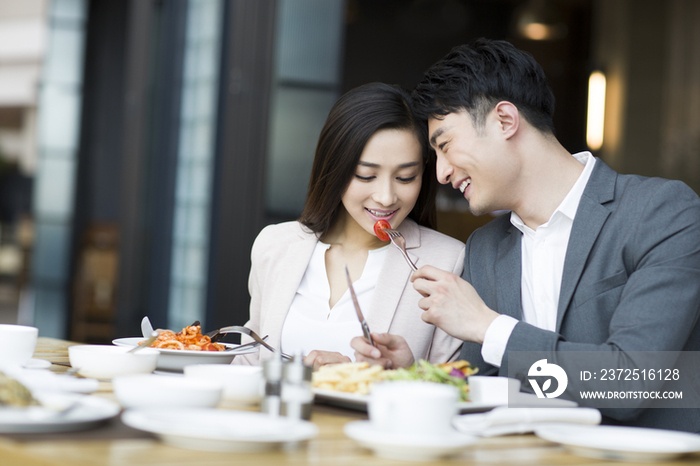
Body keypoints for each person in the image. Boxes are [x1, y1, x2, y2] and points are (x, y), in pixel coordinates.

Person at [352, 38, 700, 432]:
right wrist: (414, 375)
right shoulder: (484, 249)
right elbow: (488, 391)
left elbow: (632, 382)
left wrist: (488, 326)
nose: (442, 173)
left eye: (446, 146)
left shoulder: (662, 212)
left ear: (505, 120)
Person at [235, 82, 465, 369]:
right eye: (366, 176)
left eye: (405, 177)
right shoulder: (276, 245)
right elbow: (249, 361)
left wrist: (399, 374)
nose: (386, 197)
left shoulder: (447, 261)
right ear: (335, 169)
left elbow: (456, 385)